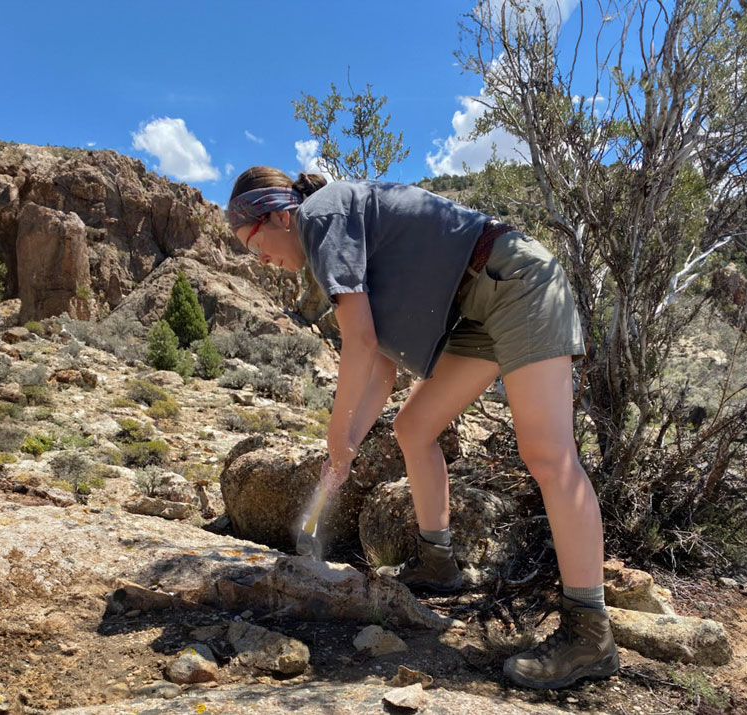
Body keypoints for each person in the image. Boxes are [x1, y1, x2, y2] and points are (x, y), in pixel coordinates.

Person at [226, 166, 618, 690]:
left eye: (253, 243)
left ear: (274, 214)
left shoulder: (320, 218)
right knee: (413, 428)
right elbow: (382, 371)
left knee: (548, 455)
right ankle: (438, 562)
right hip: (479, 310)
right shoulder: (340, 239)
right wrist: (344, 452)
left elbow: (360, 346)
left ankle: (590, 634)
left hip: (519, 284)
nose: (262, 259)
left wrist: (336, 433)